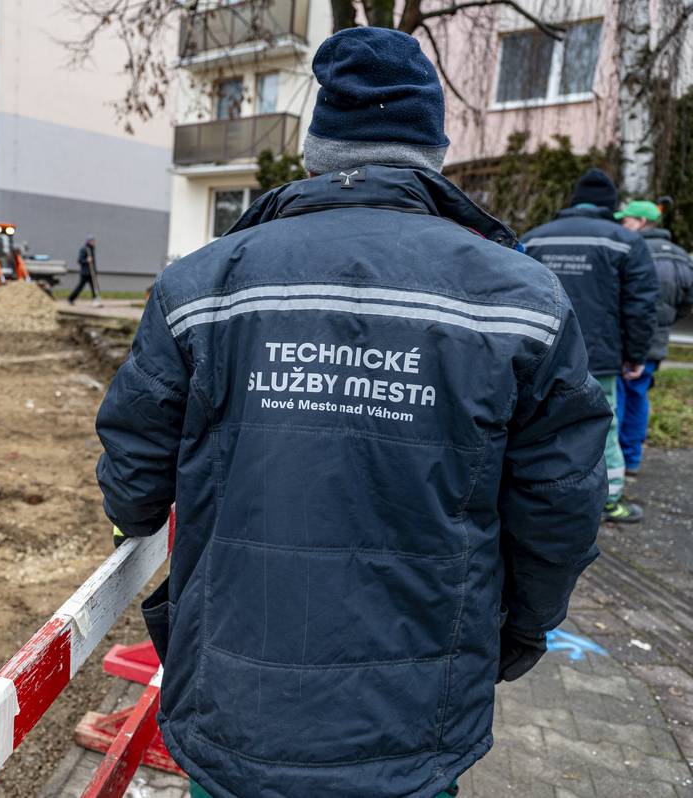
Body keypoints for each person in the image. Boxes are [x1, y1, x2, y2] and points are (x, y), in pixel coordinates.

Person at [95, 27, 609, 798]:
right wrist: (521, 629)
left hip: (235, 700)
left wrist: (135, 516)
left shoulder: (202, 284)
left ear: (317, 149)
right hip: (412, 721)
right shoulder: (520, 300)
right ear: (432, 150)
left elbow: (134, 472)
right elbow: (561, 508)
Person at [522, 171, 658, 523]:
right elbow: (640, 306)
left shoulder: (535, 239)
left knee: (539, 426)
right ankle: (610, 500)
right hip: (598, 356)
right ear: (609, 206)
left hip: (540, 353)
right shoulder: (626, 241)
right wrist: (636, 356)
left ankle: (540, 498)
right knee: (603, 424)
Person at [613, 199, 693, 474]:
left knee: (617, 397)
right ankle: (632, 459)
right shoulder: (681, 255)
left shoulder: (633, 251)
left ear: (642, 223)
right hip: (656, 341)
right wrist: (664, 323)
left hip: (626, 339)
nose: (622, 225)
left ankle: (612, 462)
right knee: (639, 395)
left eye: (626, 221)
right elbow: (687, 301)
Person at [68, 236, 102, 307]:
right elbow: (80, 260)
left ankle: (96, 301)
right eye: (92, 241)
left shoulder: (92, 249)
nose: (94, 242)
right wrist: (87, 260)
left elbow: (93, 262)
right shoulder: (84, 249)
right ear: (88, 242)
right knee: (80, 287)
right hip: (85, 273)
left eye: (94, 241)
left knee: (95, 287)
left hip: (92, 273)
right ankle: (71, 299)